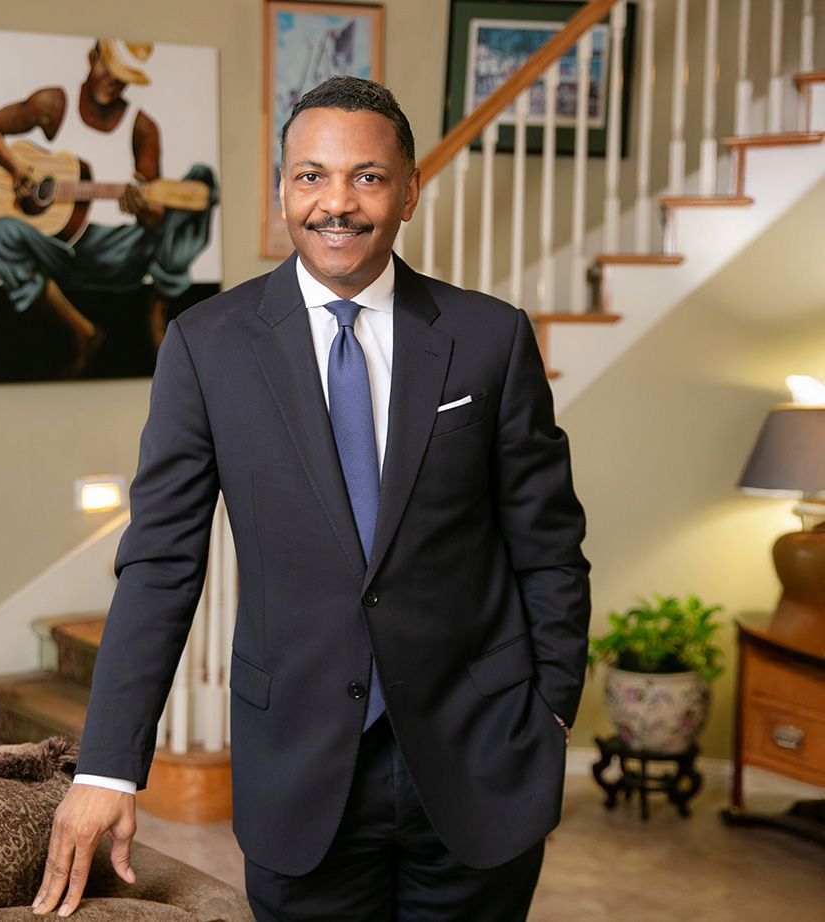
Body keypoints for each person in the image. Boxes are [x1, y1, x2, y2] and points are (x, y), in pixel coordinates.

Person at [32, 76, 590, 921]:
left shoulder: (490, 337)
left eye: (367, 177)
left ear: (409, 191)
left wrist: (550, 714)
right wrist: (108, 764)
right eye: (311, 176)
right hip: (298, 770)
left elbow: (547, 547)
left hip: (480, 756)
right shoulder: (206, 346)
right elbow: (160, 565)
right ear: (283, 189)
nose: (337, 203)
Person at [0, 38, 217, 375]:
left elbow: (155, 220)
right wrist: (16, 169)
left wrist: (141, 208)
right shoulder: (53, 104)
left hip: (116, 253)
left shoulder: (142, 127)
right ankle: (81, 329)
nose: (113, 80)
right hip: (55, 249)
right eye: (108, 67)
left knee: (202, 183)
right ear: (91, 57)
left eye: (123, 76)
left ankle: (159, 306)